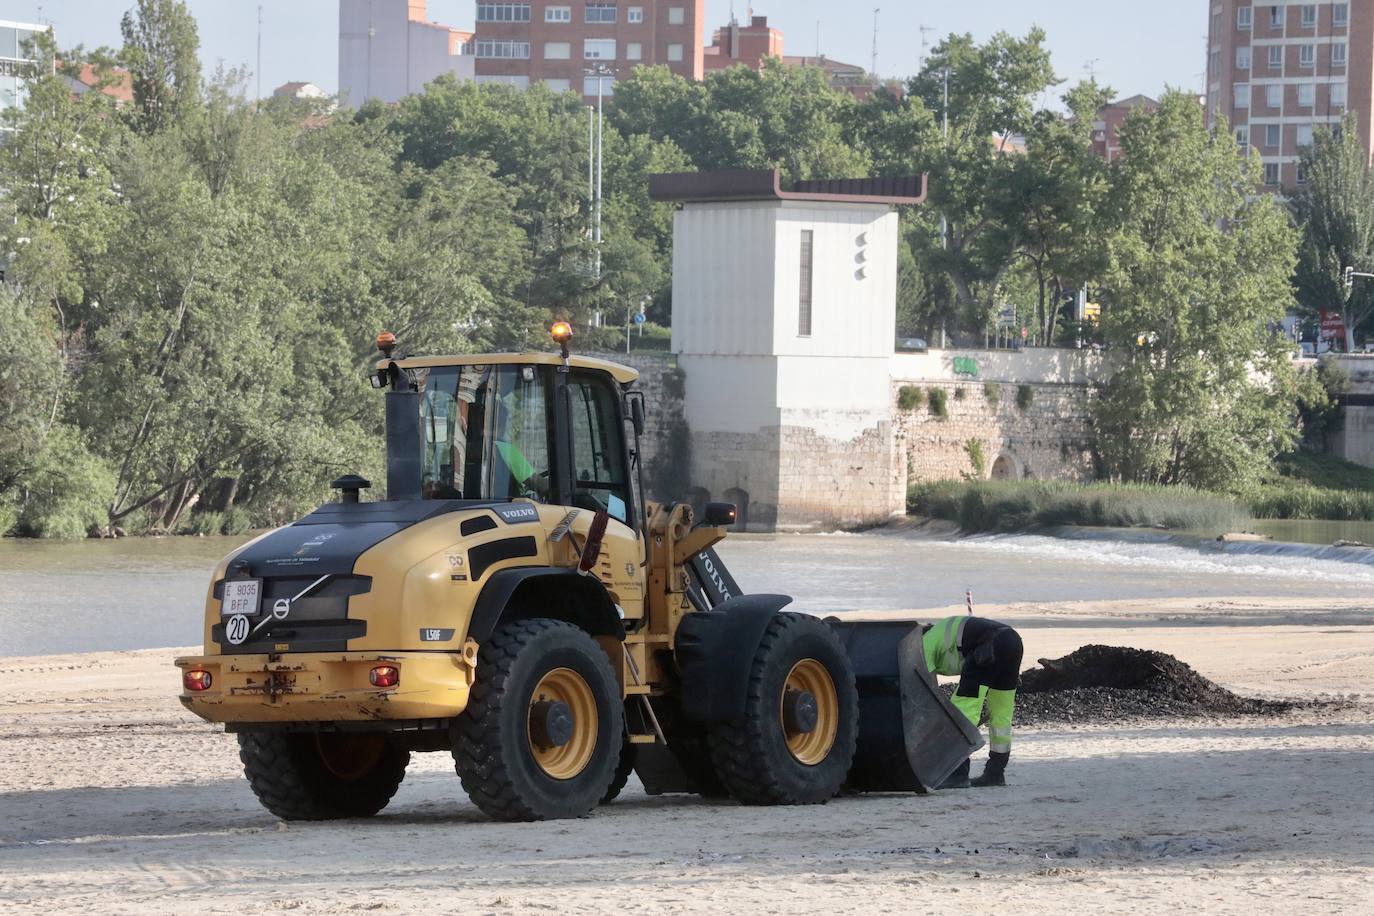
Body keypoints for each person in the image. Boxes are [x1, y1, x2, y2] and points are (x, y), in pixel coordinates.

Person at [923, 615, 1024, 788]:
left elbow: (921, 684)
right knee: (1002, 713)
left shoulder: (924, 643)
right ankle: (995, 773)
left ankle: (957, 773)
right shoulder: (942, 635)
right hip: (1013, 641)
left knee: (963, 710)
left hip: (988, 645)